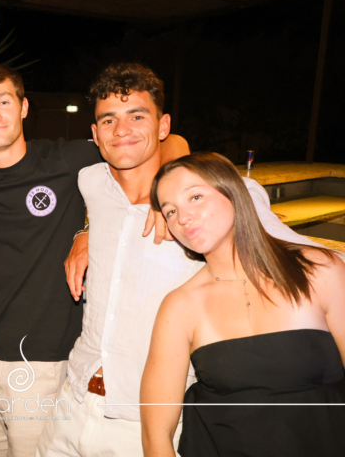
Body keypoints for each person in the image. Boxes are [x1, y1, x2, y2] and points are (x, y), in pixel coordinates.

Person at [36, 62, 336, 457]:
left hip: (145, 419)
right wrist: (85, 232)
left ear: (163, 126)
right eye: (109, 120)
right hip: (72, 401)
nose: (121, 130)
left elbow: (303, 256)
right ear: (94, 133)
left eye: (137, 116)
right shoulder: (91, 181)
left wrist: (169, 197)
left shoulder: (214, 198)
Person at [0, 62, 188, 457]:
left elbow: (163, 143)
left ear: (24, 107)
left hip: (40, 359)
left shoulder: (67, 161)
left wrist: (165, 185)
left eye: (4, 101)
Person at [141, 152, 345, 457]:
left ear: (234, 193)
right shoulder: (180, 307)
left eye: (195, 197)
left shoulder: (319, 271)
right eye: (170, 211)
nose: (182, 218)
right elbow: (155, 435)